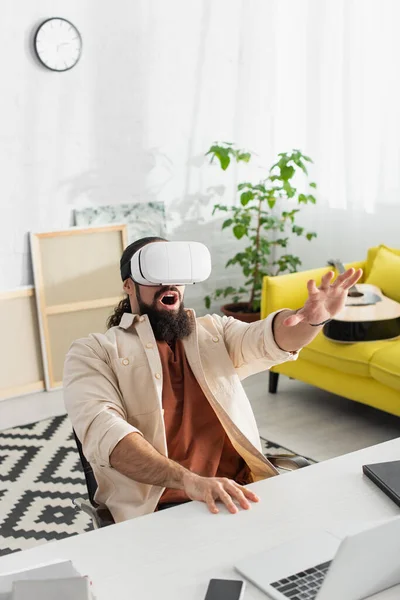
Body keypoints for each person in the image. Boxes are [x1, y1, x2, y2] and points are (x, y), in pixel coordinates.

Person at [64, 237, 362, 523]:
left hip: (239, 494)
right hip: (158, 511)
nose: (169, 282)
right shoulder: (92, 353)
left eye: (176, 270)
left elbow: (269, 339)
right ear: (129, 284)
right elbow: (109, 438)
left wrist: (313, 319)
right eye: (156, 270)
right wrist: (189, 481)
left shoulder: (213, 332)